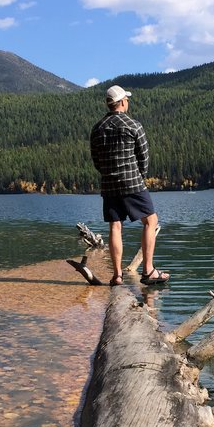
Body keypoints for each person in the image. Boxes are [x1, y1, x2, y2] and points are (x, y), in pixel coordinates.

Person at [86, 84, 167, 285]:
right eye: (127, 100)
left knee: (115, 226)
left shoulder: (97, 129)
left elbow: (96, 160)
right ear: (122, 102)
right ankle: (148, 271)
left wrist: (108, 175)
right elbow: (144, 157)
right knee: (151, 221)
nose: (128, 102)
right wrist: (140, 177)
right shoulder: (133, 125)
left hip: (109, 184)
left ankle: (117, 276)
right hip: (133, 183)